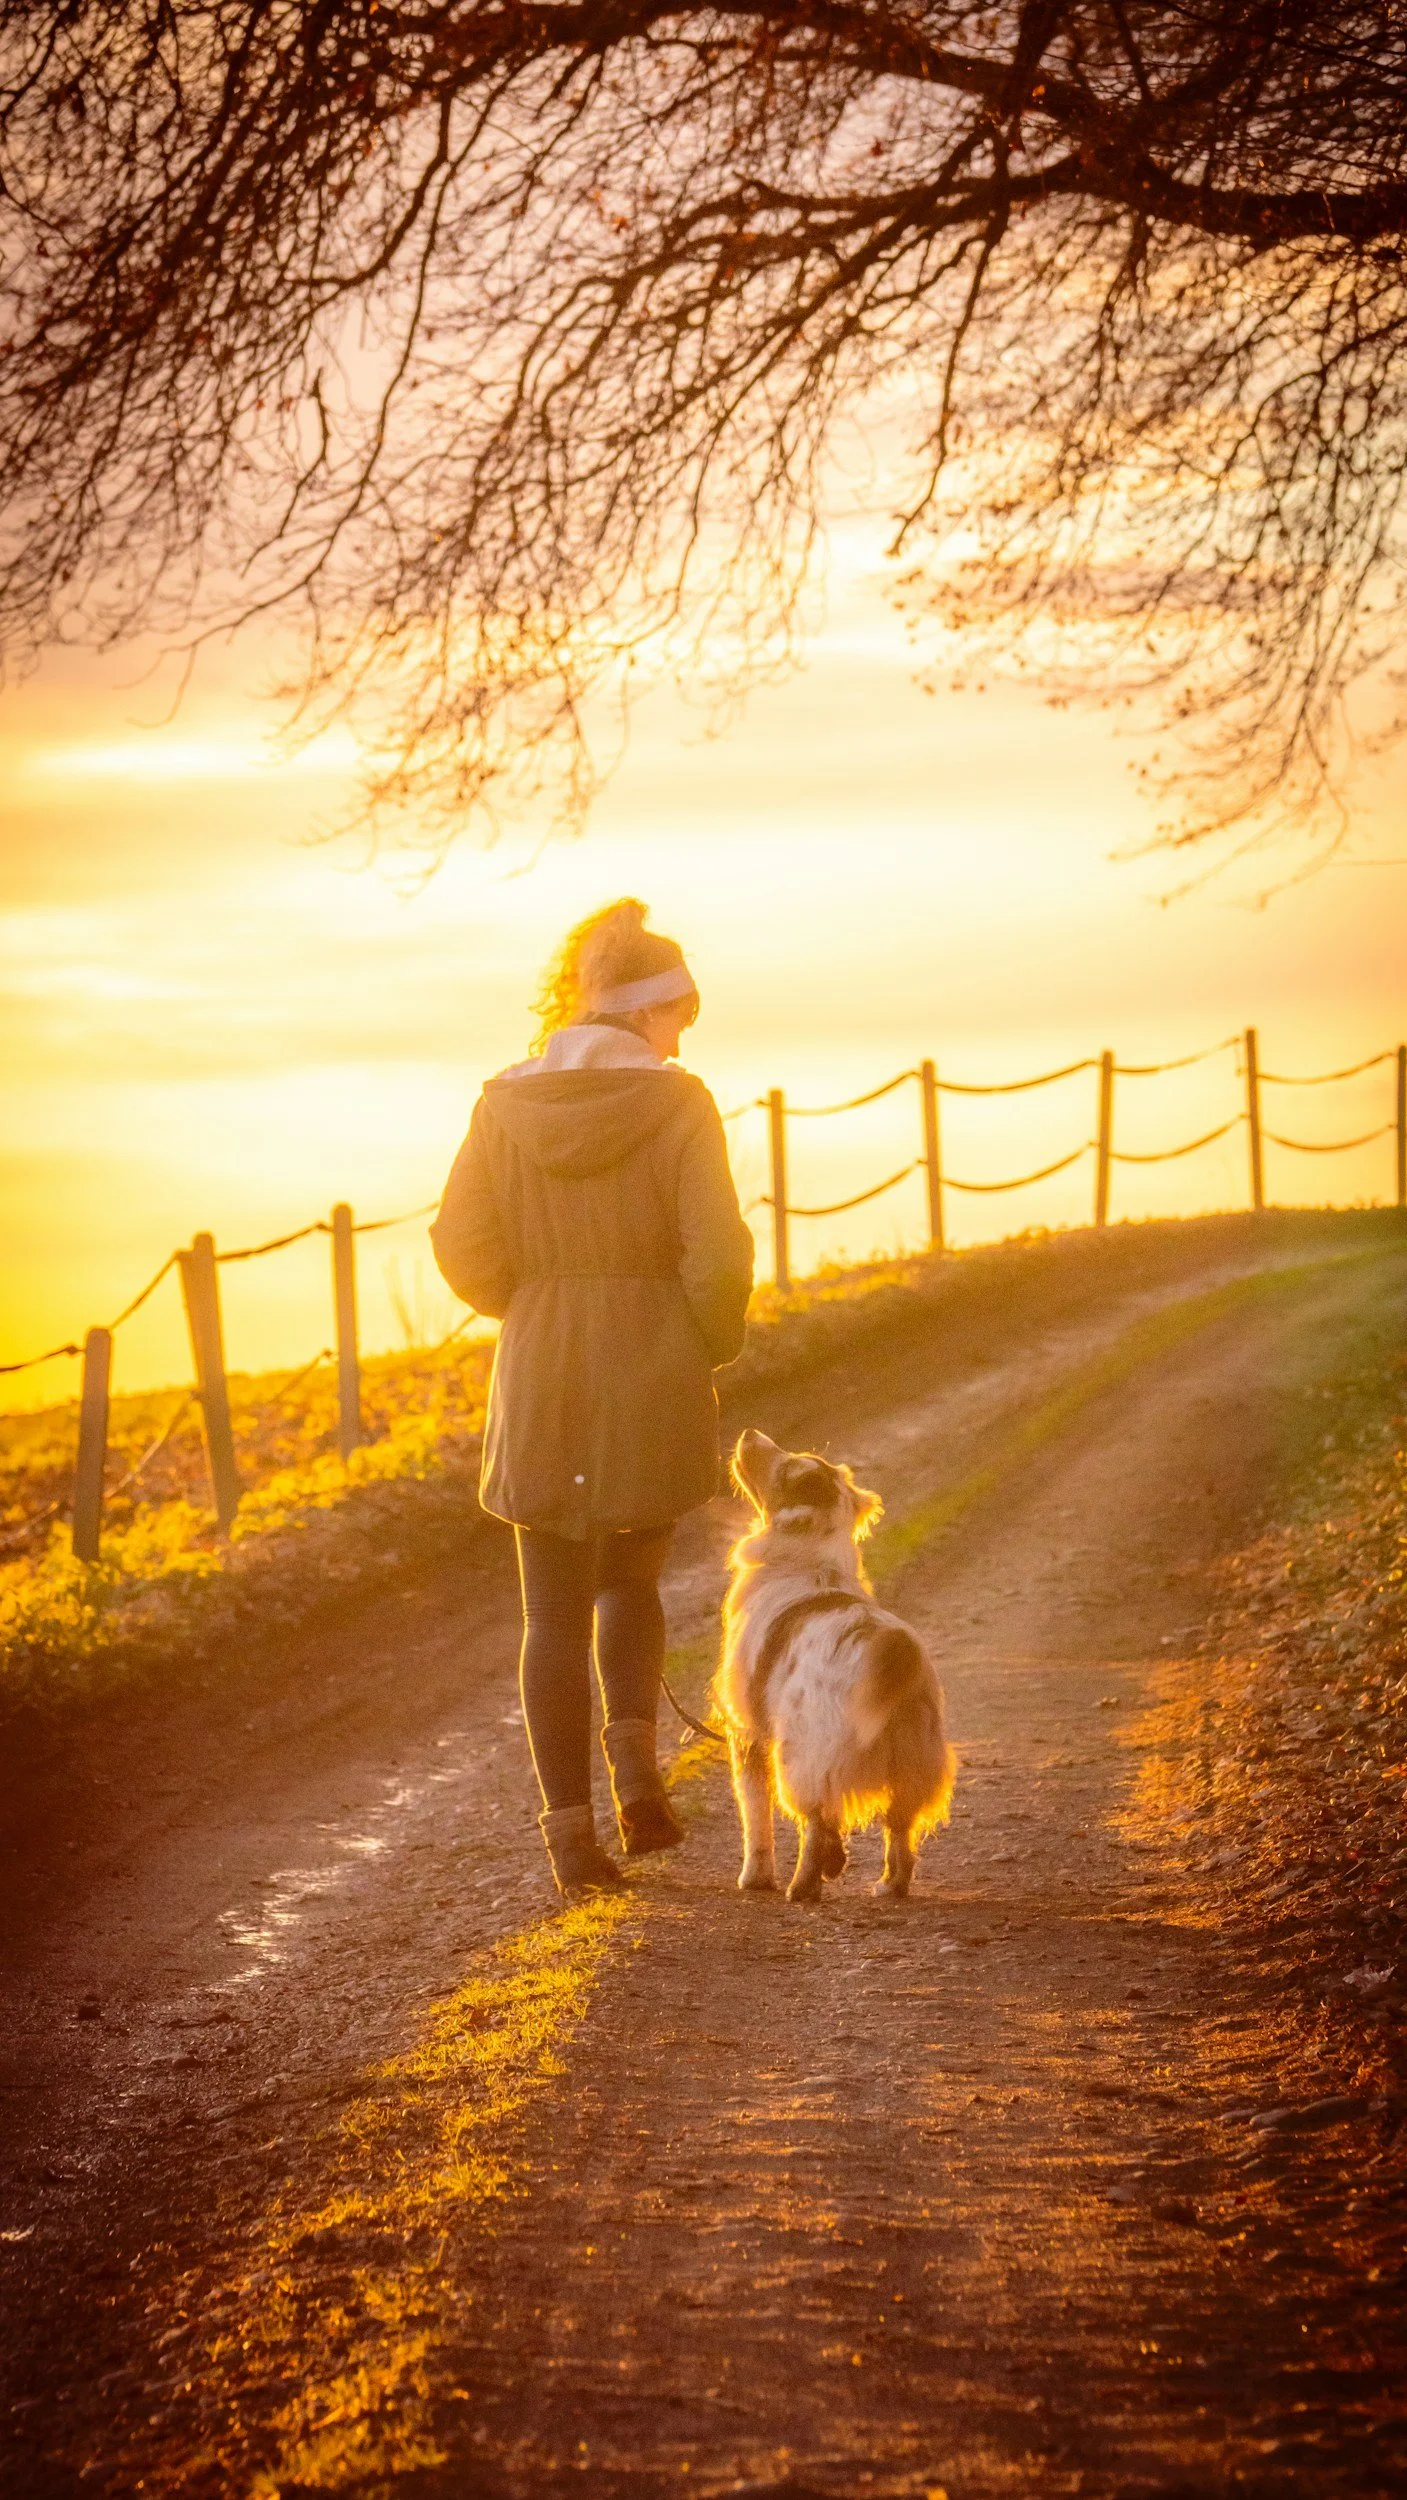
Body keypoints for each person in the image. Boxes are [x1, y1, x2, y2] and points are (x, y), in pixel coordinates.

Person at [431, 899, 755, 1895]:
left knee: (552, 1615)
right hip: (649, 1365)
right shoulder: (680, 1101)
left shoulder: (501, 1103)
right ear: (652, 1011)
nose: (681, 1040)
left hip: (541, 1368)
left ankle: (571, 1837)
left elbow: (460, 1243)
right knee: (630, 1584)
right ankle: (638, 1784)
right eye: (679, 1019)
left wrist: (532, 1305)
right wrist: (701, 1343)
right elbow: (720, 1252)